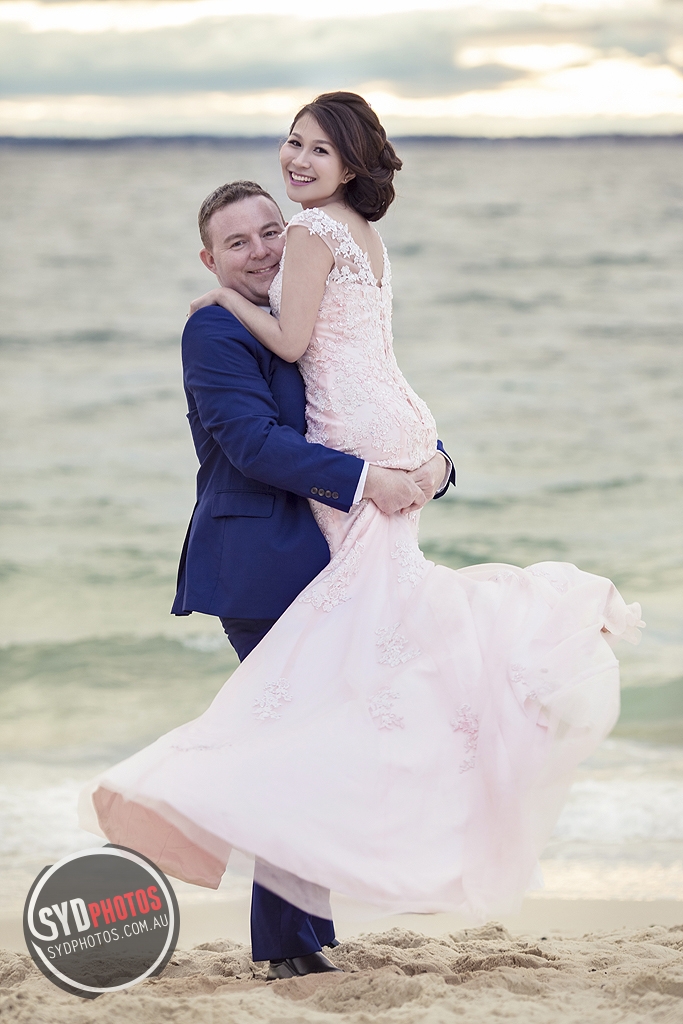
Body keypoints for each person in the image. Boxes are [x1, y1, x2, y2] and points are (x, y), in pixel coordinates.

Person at [80, 92, 643, 974]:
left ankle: (306, 936)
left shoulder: (310, 291)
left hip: (330, 548)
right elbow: (254, 444)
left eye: (269, 232)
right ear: (209, 259)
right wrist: (370, 479)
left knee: (332, 741)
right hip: (260, 562)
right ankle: (284, 945)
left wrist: (433, 464)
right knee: (296, 748)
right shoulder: (214, 330)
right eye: (237, 243)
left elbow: (364, 385)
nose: (261, 249)